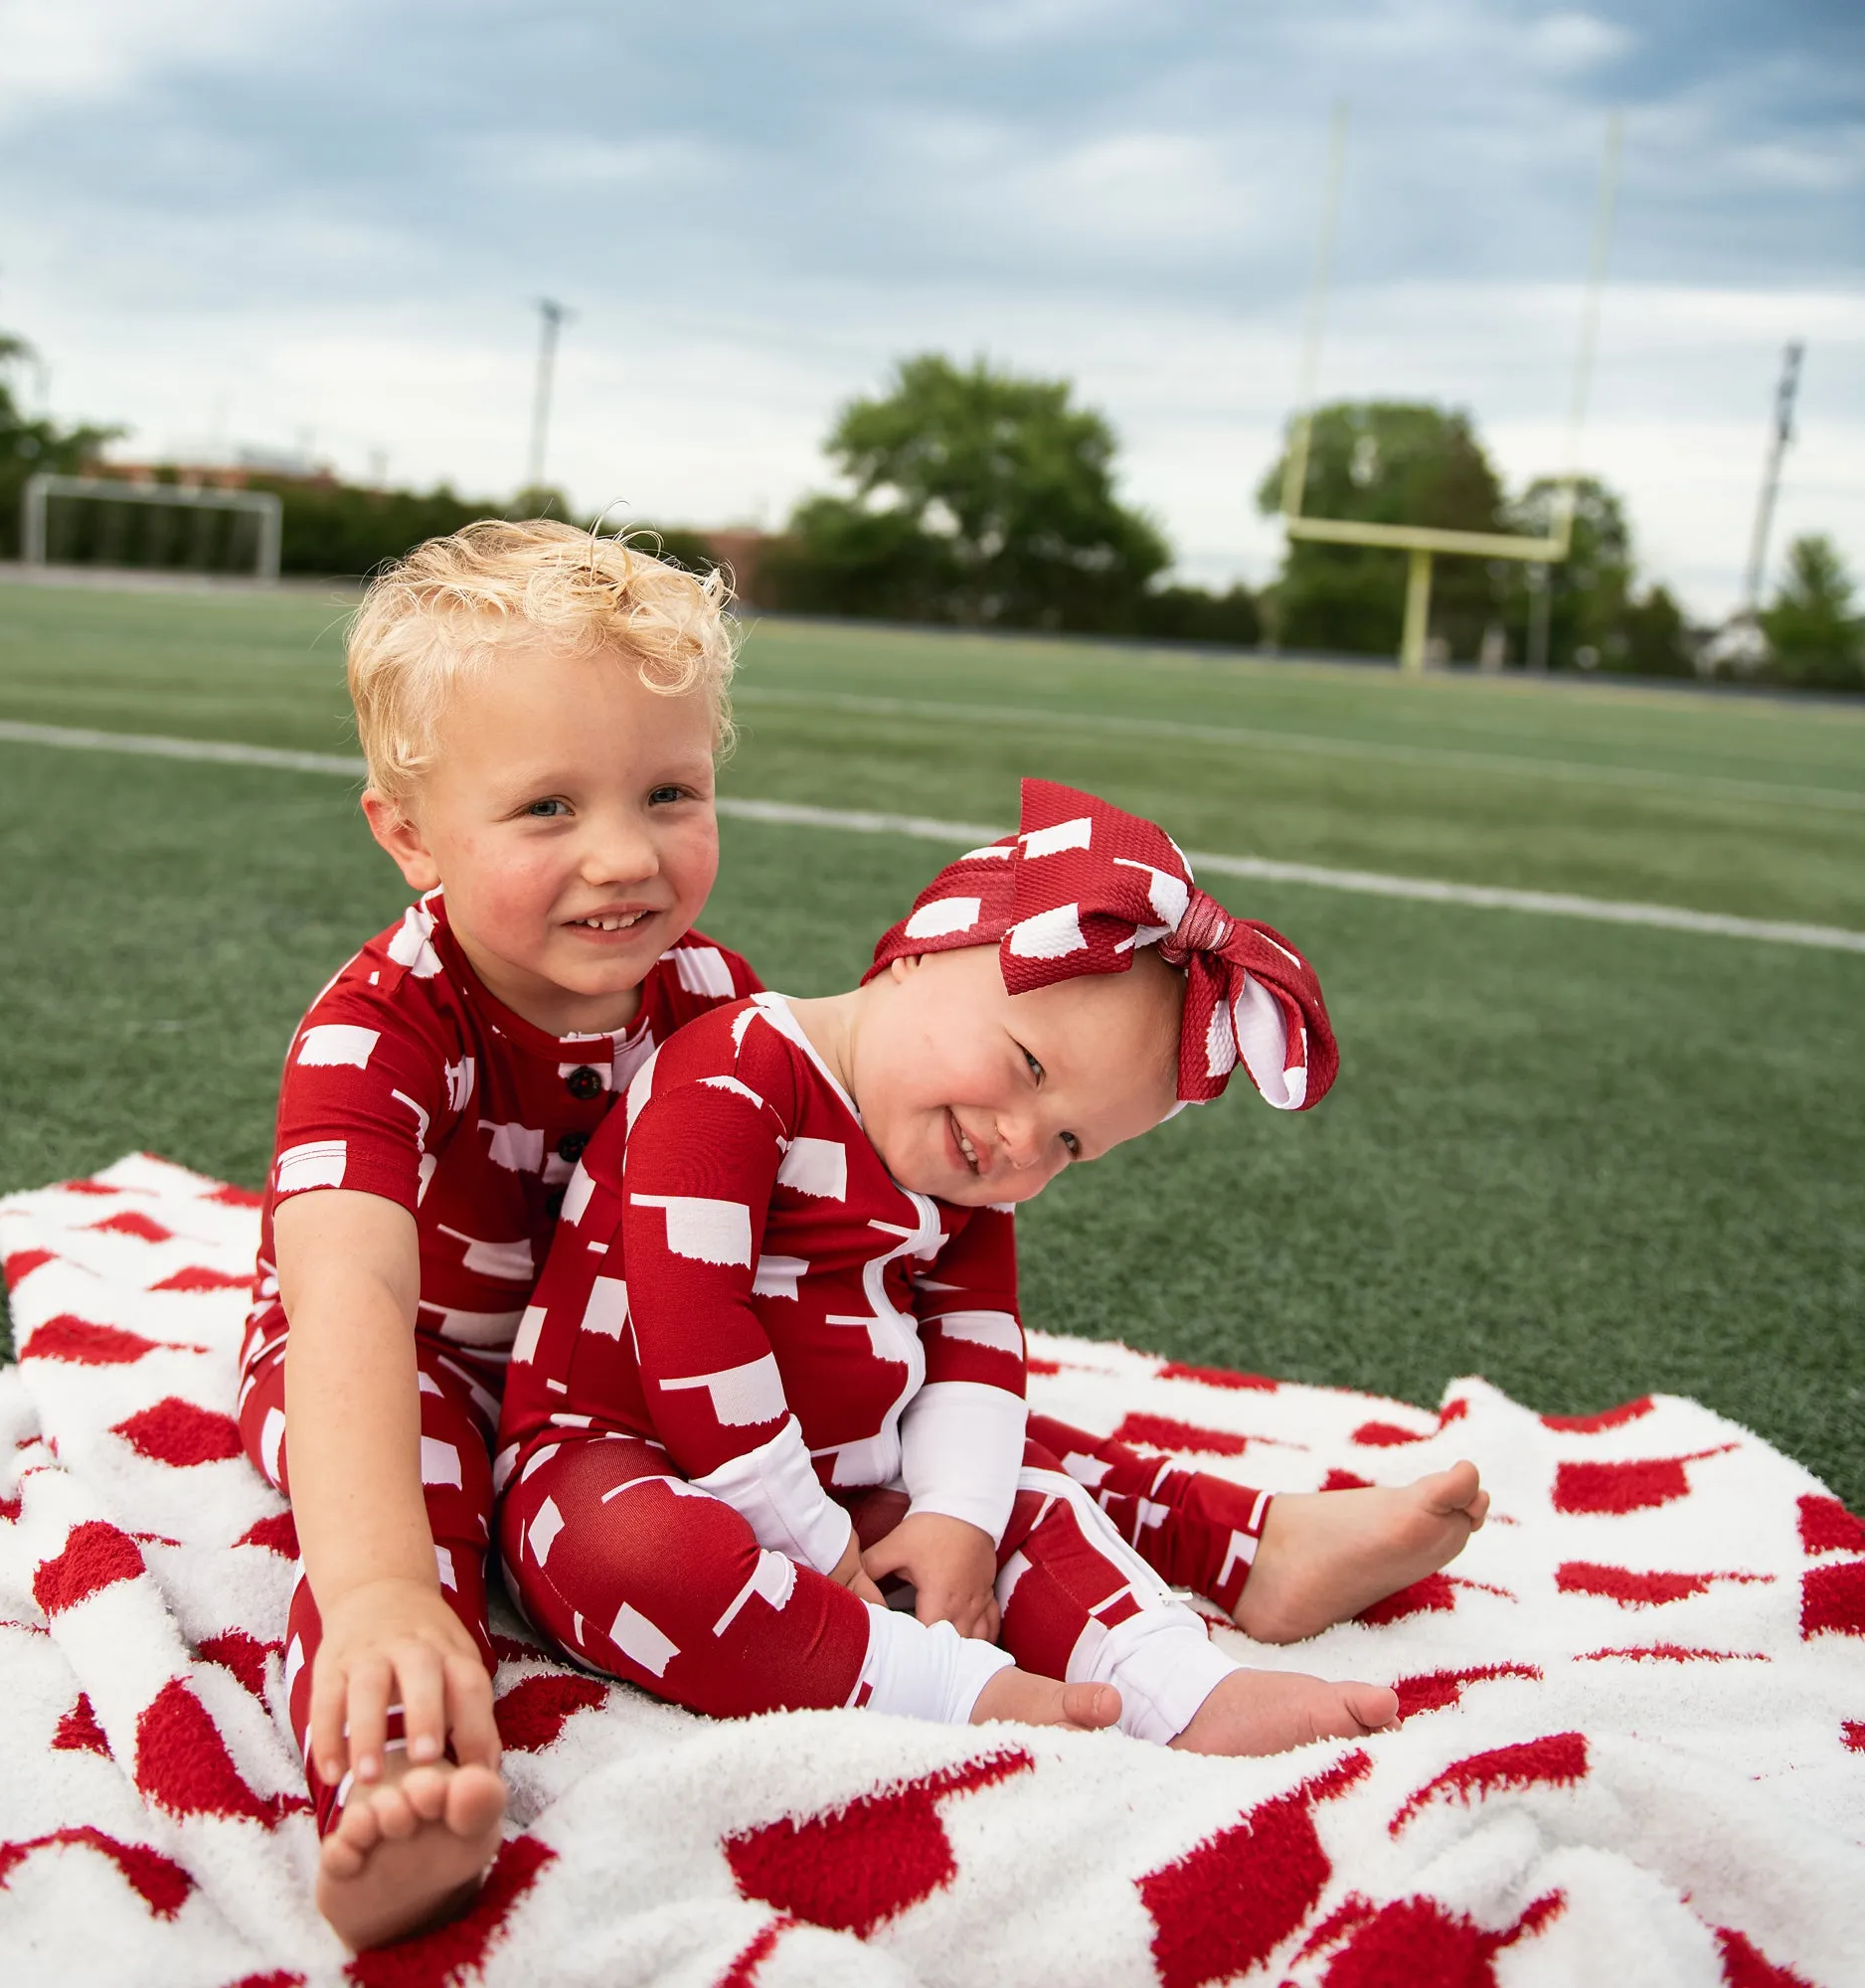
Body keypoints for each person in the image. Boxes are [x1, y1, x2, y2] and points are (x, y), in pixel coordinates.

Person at [494, 778, 1489, 1752]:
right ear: (919, 955)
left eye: (1069, 1144)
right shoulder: (734, 1071)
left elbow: (975, 1356)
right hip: (623, 1449)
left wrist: (954, 1519)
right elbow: (692, 1341)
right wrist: (812, 1536)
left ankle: (1178, 1684)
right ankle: (948, 1687)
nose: (1020, 1140)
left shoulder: (961, 1170)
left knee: (1021, 1491)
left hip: (844, 1470)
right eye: (1026, 1065)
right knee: (633, 1556)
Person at [234, 520, 762, 1949]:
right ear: (409, 836)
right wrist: (386, 1584)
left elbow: (801, 1228)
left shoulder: (714, 1003)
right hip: (414, 1355)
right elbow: (342, 1303)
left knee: (862, 1399)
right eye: (547, 810)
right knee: (410, 1514)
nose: (623, 855)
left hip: (602, 1365)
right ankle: (399, 1776)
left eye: (669, 791)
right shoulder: (383, 1028)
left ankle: (1207, 1553)